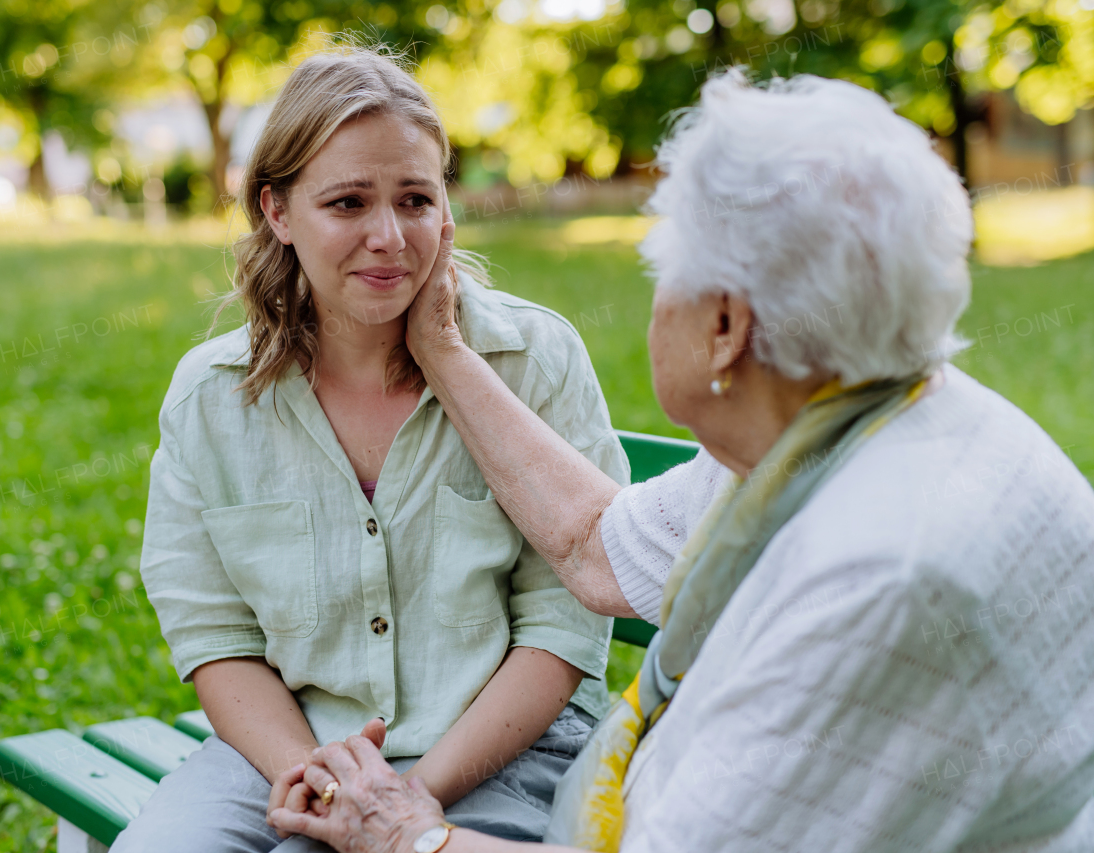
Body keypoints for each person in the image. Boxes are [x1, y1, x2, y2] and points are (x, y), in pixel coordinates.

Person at [267, 70, 1094, 852]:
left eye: (665, 277)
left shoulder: (880, 575)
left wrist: (407, 831)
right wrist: (442, 347)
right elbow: (600, 550)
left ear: (726, 328)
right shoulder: (849, 421)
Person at [111, 45, 631, 853]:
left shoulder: (533, 364)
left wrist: (404, 799)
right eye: (348, 202)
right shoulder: (212, 395)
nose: (388, 237)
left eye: (415, 199)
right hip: (283, 748)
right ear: (277, 211)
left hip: (500, 749)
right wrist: (319, 781)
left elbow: (562, 629)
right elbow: (216, 636)